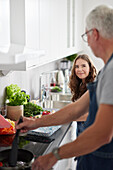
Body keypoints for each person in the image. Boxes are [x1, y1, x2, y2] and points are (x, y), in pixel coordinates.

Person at [17, 5, 113, 170]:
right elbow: (76, 108)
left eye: (86, 35)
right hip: (93, 158)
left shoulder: (111, 72)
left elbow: (102, 134)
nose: (88, 42)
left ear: (95, 34)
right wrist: (36, 122)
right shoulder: (106, 70)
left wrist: (54, 155)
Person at [69, 54, 97, 137]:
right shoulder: (81, 84)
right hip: (82, 129)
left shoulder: (93, 86)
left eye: (83, 66)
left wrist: (67, 118)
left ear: (90, 68)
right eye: (77, 66)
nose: (79, 69)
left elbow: (90, 114)